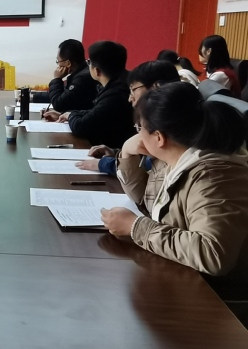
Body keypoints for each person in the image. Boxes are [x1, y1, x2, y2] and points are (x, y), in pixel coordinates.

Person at [101, 82, 248, 277]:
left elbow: (213, 254)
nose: (138, 134)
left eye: (140, 127)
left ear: (159, 137)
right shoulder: (173, 160)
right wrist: (127, 153)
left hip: (210, 291)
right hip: (181, 274)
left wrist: (136, 227)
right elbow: (145, 199)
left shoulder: (213, 177)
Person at [76, 60, 180, 174]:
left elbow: (152, 165)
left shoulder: (170, 121)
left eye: (133, 90)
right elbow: (146, 156)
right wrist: (117, 153)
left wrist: (106, 164)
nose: (130, 98)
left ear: (157, 87)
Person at [43, 41, 134, 149]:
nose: (87, 65)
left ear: (97, 71)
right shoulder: (120, 84)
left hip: (112, 149)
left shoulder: (114, 94)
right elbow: (95, 112)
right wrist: (68, 114)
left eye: (89, 62)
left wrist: (70, 115)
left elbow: (81, 127)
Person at [47, 39, 98, 112]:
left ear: (68, 63)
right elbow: (65, 96)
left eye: (58, 61)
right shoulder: (83, 72)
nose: (58, 65)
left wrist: (57, 79)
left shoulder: (81, 79)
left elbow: (58, 105)